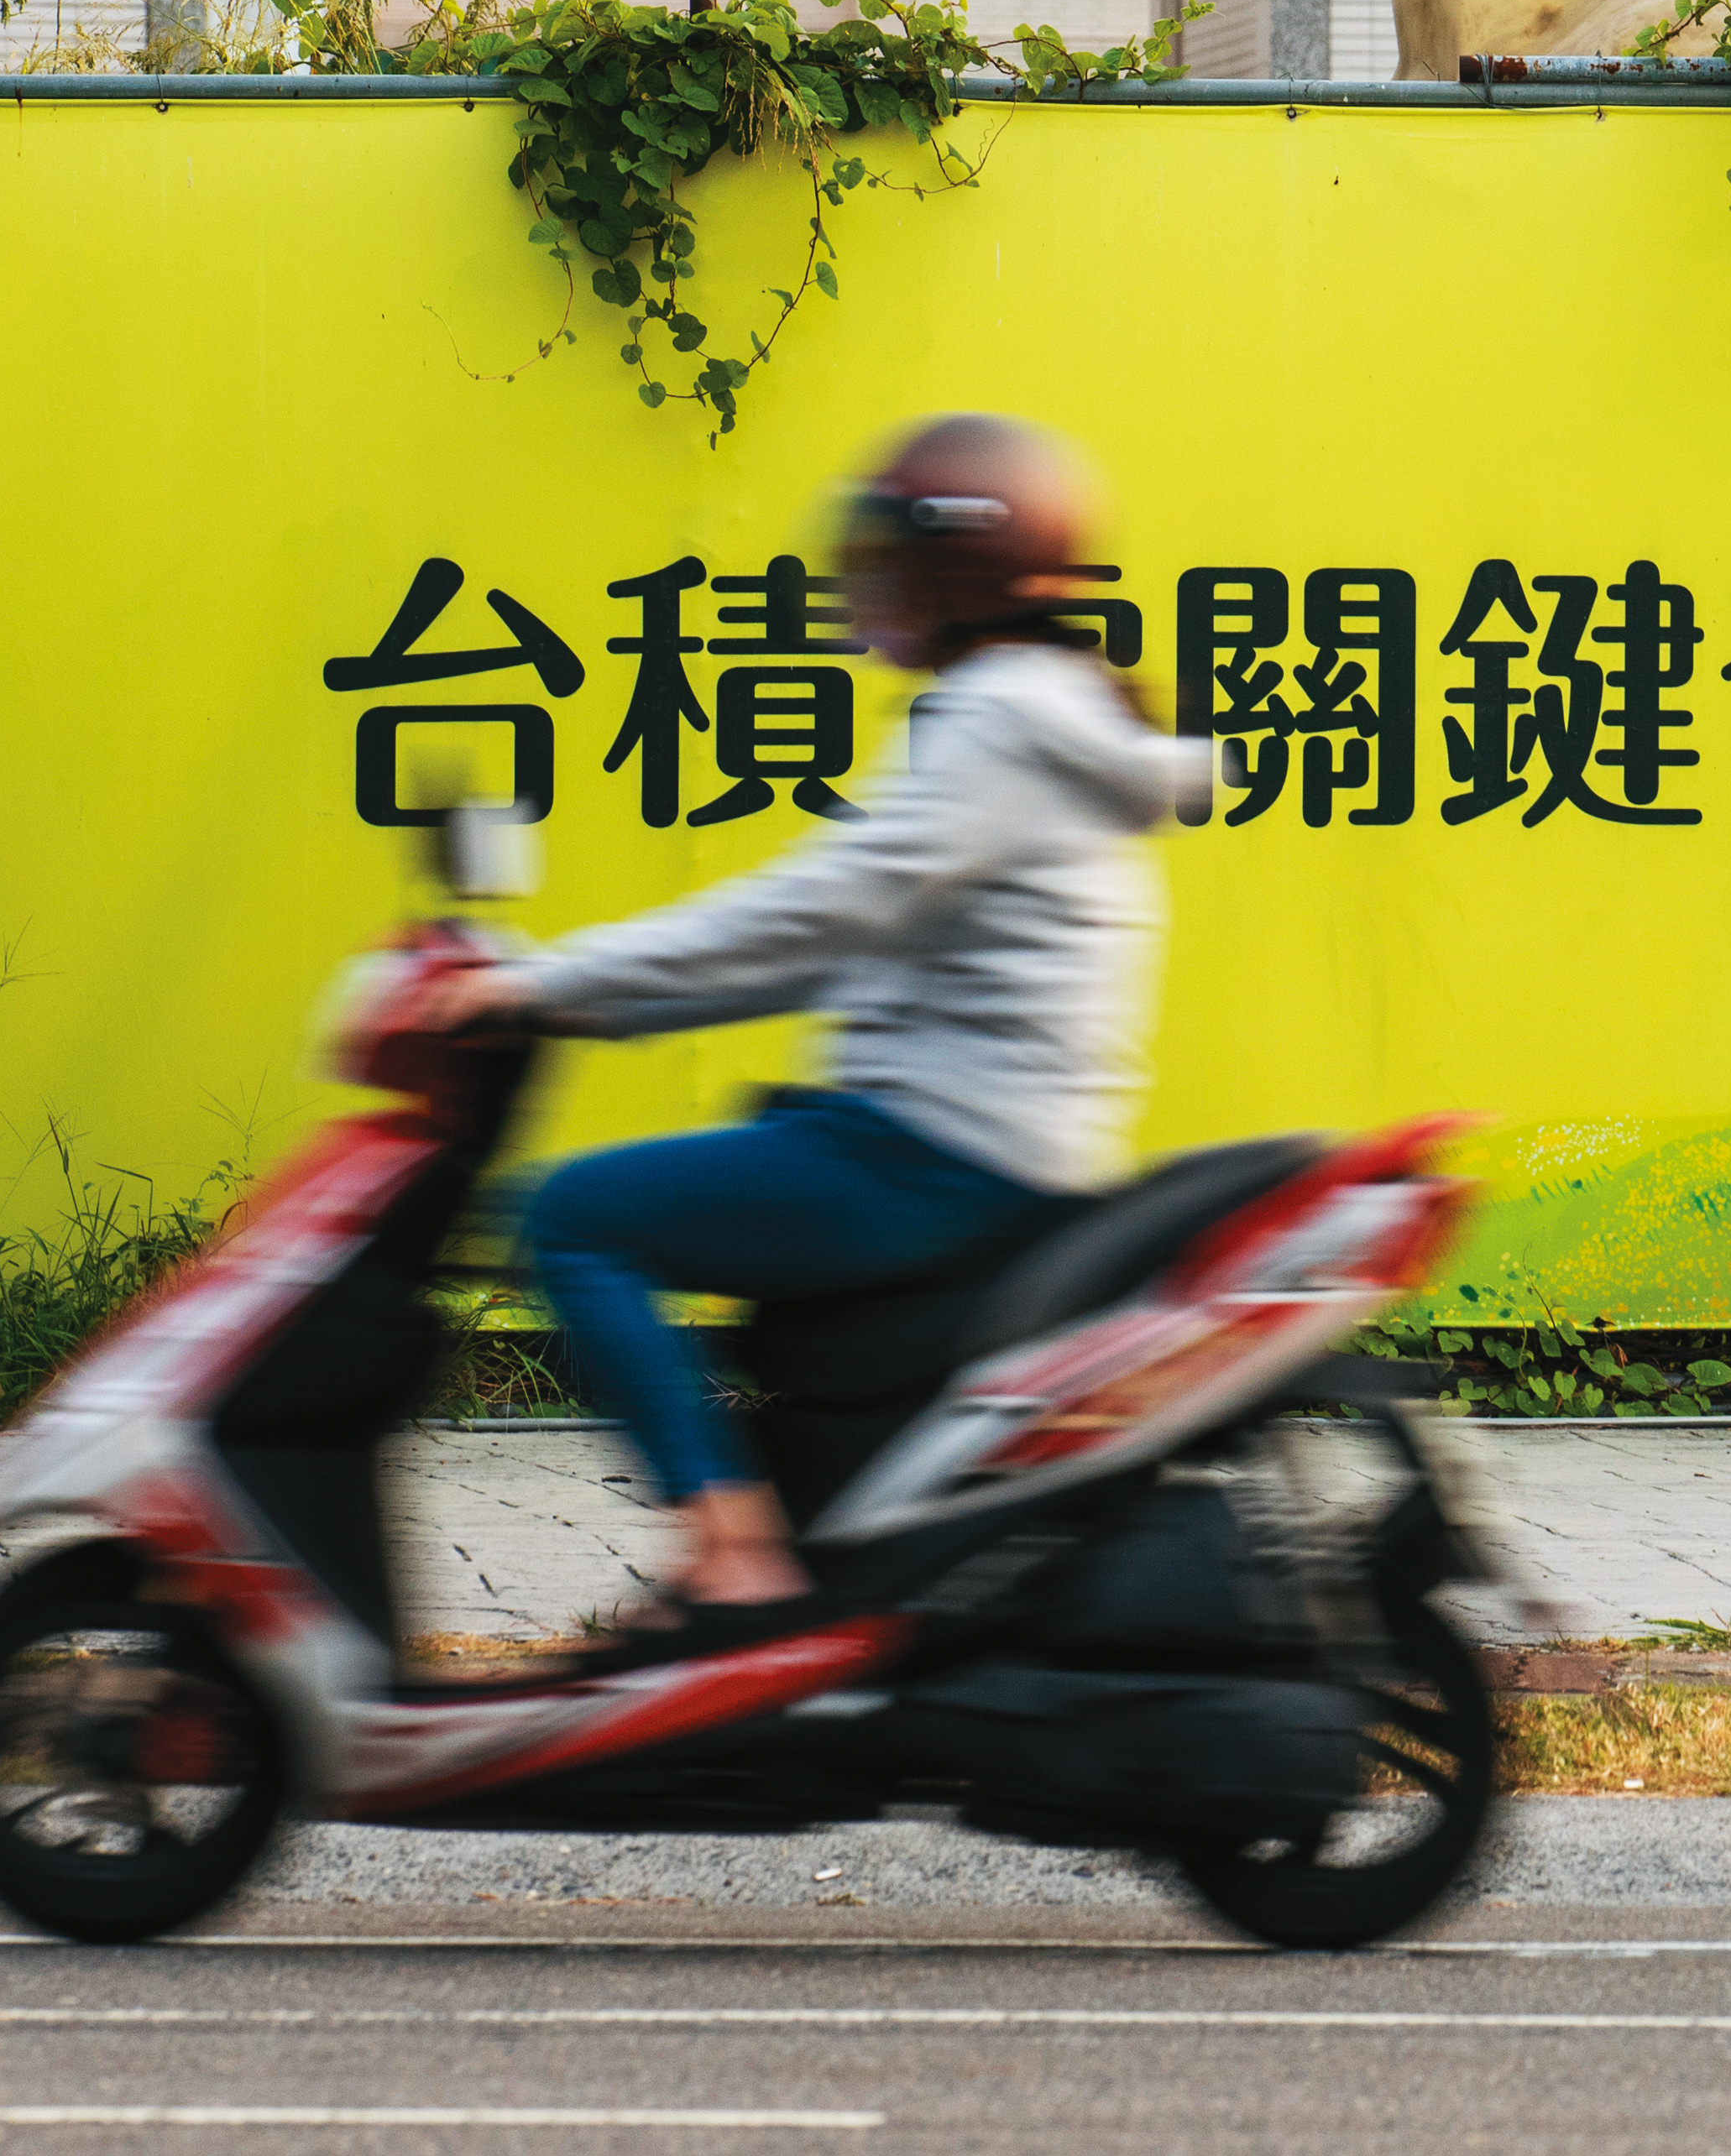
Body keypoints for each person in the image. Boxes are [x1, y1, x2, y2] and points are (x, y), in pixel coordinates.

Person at [440, 415, 1212, 1616]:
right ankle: (788, 1540)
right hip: (979, 1141)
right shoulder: (1035, 712)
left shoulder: (999, 721)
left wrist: (550, 983)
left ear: (964, 573)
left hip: (934, 1152)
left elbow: (819, 908)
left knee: (573, 1218)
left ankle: (732, 1552)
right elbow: (831, 952)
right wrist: (586, 1006)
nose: (872, 588)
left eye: (895, 561)